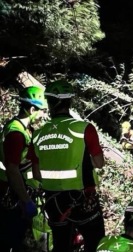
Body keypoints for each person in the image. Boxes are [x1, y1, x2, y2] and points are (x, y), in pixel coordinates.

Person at [29, 79, 106, 252]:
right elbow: (100, 163)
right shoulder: (84, 128)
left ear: (49, 103)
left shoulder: (38, 134)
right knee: (96, 243)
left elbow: (36, 174)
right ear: (69, 101)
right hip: (84, 200)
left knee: (61, 246)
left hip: (53, 201)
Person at [0, 86, 47, 251]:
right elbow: (12, 169)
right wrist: (26, 200)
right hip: (12, 196)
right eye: (41, 111)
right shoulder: (16, 133)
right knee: (9, 240)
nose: (43, 115)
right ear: (32, 109)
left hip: (18, 193)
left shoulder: (24, 130)